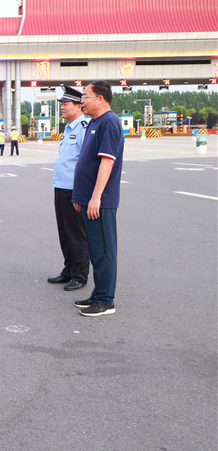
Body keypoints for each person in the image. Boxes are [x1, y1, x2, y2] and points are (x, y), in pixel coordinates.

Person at [72, 81, 124, 317]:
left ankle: (105, 301)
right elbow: (87, 161)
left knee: (104, 251)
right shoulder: (95, 122)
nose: (82, 100)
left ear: (100, 98)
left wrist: (95, 197)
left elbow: (106, 162)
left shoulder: (109, 122)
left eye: (86, 96)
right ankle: (98, 293)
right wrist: (80, 196)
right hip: (88, 199)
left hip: (101, 201)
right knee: (95, 250)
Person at [47, 85, 90, 293]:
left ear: (79, 105)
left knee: (76, 233)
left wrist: (83, 191)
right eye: (62, 104)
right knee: (64, 231)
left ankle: (80, 275)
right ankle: (69, 269)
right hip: (61, 186)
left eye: (66, 104)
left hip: (75, 189)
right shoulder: (68, 128)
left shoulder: (84, 128)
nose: (62, 107)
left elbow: (87, 162)